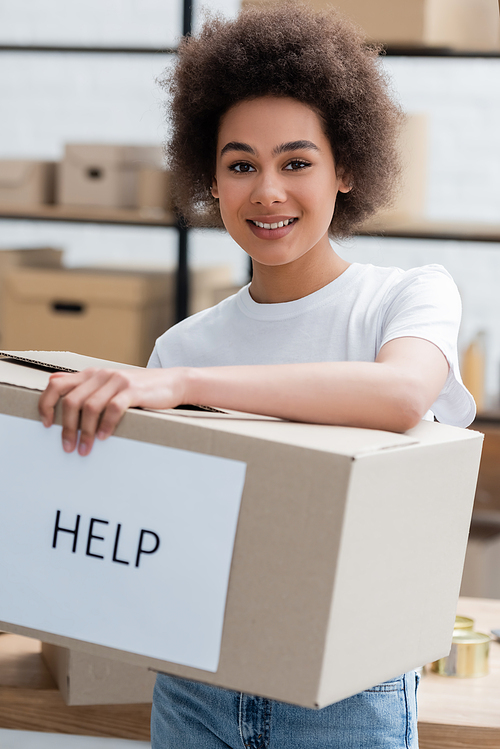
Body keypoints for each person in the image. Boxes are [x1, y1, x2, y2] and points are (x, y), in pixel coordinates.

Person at [39, 3, 476, 747]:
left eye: (296, 162)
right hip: (196, 688)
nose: (267, 190)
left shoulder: (406, 297)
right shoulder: (183, 344)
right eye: (241, 165)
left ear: (347, 170)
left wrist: (185, 391)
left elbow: (401, 394)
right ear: (211, 180)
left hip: (348, 694)